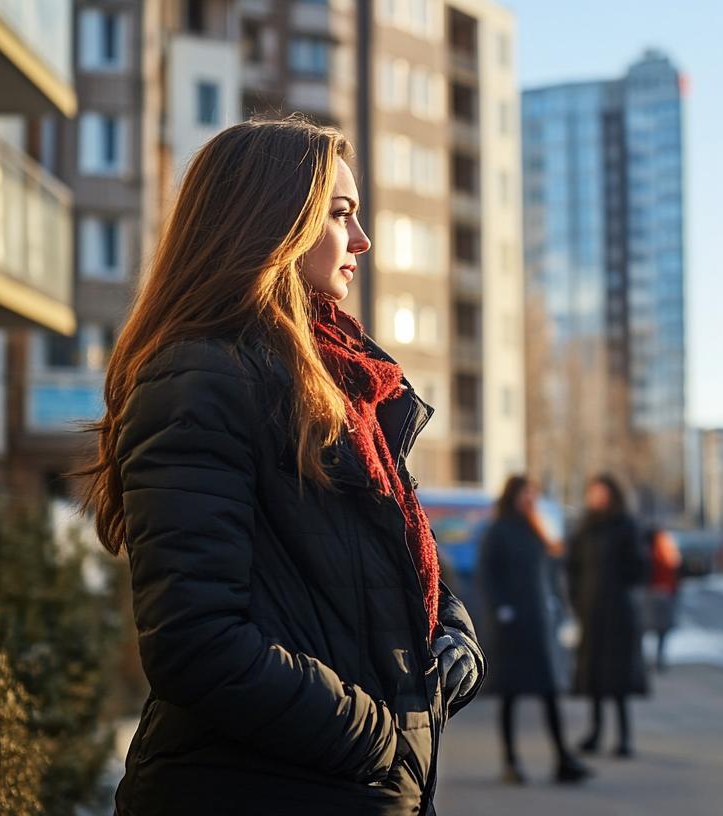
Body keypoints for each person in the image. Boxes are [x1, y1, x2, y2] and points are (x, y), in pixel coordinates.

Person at [75, 118, 484, 815]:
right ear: (273, 222)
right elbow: (196, 643)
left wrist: (455, 640)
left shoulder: (349, 386)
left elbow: (393, 562)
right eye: (341, 215)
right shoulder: (199, 378)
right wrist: (378, 742)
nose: (363, 241)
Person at [477, 475, 591, 785]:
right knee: (510, 694)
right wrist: (502, 609)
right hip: (513, 626)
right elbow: (488, 575)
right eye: (525, 493)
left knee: (550, 691)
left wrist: (559, 607)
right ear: (512, 495)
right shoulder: (498, 531)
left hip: (540, 623)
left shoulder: (536, 527)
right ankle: (510, 761)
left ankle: (562, 758)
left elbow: (551, 573)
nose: (530, 498)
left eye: (533, 493)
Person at [565, 475, 648, 758]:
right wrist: (576, 600)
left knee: (618, 676)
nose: (596, 498)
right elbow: (573, 568)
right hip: (591, 611)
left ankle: (624, 737)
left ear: (612, 495)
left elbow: (638, 568)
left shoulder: (625, 526)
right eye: (593, 493)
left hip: (618, 613)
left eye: (601, 493)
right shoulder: (585, 529)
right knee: (595, 675)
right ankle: (595, 732)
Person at [644, 527, 683, 672]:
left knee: (649, 628)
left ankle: (651, 660)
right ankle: (658, 659)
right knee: (660, 630)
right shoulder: (667, 549)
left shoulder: (649, 550)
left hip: (654, 592)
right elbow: (675, 570)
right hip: (663, 593)